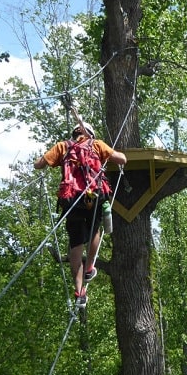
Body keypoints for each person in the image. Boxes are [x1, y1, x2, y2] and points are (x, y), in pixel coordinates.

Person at [34, 122, 127, 308]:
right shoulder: (96, 144)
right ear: (89, 134)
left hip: (72, 198)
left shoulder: (63, 146)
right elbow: (122, 159)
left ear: (74, 134)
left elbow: (39, 165)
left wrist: (47, 160)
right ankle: (90, 266)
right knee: (94, 230)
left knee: (76, 244)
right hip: (94, 195)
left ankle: (79, 292)